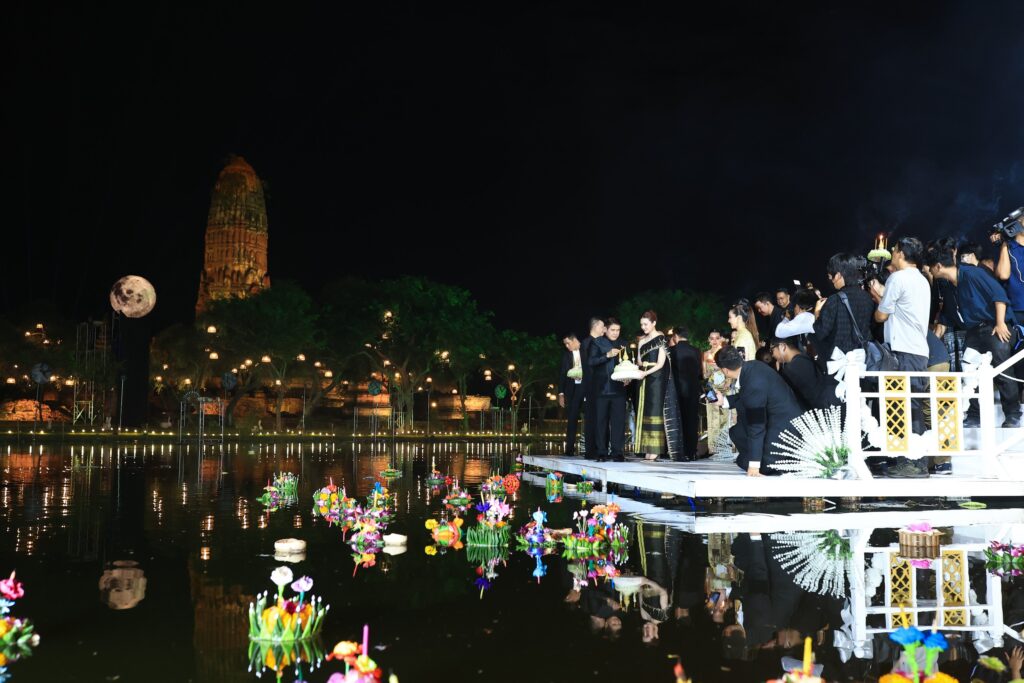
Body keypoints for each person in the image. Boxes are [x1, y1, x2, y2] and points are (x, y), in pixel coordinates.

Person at [925, 238, 1021, 428]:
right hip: (973, 331)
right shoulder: (947, 285)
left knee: (1002, 369)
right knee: (969, 373)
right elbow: (945, 318)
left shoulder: (973, 273)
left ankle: (1013, 414)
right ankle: (974, 416)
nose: (928, 270)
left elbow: (999, 296)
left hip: (994, 326)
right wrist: (932, 342)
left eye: (930, 267)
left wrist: (1001, 323)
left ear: (937, 266)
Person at [869, 236, 932, 477]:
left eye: (894, 250)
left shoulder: (897, 278)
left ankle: (912, 463)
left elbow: (881, 316)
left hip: (903, 350)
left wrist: (878, 301)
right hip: (918, 350)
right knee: (912, 403)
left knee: (903, 406)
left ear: (902, 254)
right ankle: (915, 461)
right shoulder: (922, 279)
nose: (893, 254)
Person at [713, 345, 802, 476]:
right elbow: (746, 396)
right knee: (736, 432)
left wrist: (754, 466)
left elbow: (756, 425)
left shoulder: (753, 383)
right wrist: (724, 401)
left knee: (743, 460)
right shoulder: (753, 366)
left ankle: (761, 461)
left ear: (725, 370)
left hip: (783, 435)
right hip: (786, 423)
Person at [813, 252, 875, 368]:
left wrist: (817, 313)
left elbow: (821, 332)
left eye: (831, 275)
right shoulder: (868, 298)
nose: (831, 279)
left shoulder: (834, 300)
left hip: (839, 363)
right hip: (863, 362)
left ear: (838, 275)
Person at [635, 310, 682, 461]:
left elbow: (661, 364)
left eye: (646, 324)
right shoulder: (642, 341)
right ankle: (647, 448)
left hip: (656, 379)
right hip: (644, 379)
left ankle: (655, 449)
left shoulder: (660, 338)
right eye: (642, 324)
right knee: (645, 412)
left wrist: (645, 373)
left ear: (654, 323)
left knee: (655, 411)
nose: (643, 327)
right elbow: (640, 362)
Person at [588, 318, 628, 462]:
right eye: (613, 330)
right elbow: (591, 362)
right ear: (605, 330)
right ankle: (601, 452)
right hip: (602, 389)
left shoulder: (624, 343)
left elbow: (628, 363)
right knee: (601, 422)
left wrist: (628, 377)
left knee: (618, 422)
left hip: (619, 390)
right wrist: (607, 355)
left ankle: (617, 452)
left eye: (618, 330)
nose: (615, 333)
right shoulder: (597, 342)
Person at [771, 335, 840, 411]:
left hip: (825, 410)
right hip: (832, 402)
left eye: (772, 350)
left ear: (782, 346)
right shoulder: (803, 358)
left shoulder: (791, 368)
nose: (773, 355)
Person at [670, 326, 703, 461]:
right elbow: (699, 372)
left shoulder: (672, 351)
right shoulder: (696, 350)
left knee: (679, 421)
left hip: (677, 390)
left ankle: (680, 451)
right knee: (692, 421)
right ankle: (692, 451)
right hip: (693, 390)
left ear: (676, 336)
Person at [581, 317, 606, 460]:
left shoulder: (592, 342)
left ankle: (594, 449)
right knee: (593, 418)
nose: (604, 329)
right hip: (592, 385)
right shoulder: (588, 343)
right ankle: (592, 450)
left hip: (595, 385)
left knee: (596, 418)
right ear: (595, 326)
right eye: (602, 326)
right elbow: (589, 366)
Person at [558, 333, 585, 457]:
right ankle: (569, 449)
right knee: (572, 419)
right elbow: (562, 374)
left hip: (586, 389)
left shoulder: (586, 350)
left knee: (590, 418)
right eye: (565, 344)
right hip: (572, 391)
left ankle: (592, 448)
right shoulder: (566, 355)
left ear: (575, 340)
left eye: (568, 343)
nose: (567, 346)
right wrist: (561, 393)